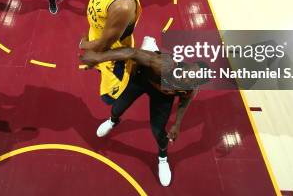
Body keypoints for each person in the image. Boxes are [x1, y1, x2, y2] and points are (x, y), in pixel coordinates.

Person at [80, 38, 207, 187]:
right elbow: (131, 52)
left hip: (163, 97)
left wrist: (177, 124)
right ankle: (113, 121)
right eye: (186, 73)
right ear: (186, 67)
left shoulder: (191, 89)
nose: (184, 78)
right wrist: (98, 58)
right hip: (143, 80)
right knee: (117, 108)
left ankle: (163, 158)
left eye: (190, 80)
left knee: (158, 131)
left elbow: (184, 102)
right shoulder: (163, 65)